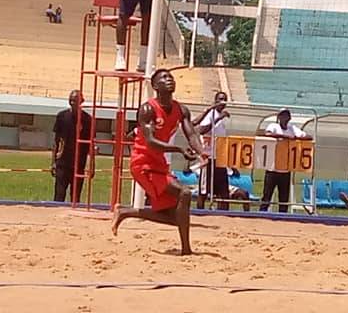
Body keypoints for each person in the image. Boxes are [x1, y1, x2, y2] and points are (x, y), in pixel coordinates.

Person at [111, 68, 208, 255]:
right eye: (164, 78)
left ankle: (126, 212)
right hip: (142, 163)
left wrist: (201, 152)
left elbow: (191, 134)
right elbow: (151, 142)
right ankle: (186, 249)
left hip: (159, 164)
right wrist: (178, 149)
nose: (169, 79)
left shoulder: (181, 109)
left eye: (170, 77)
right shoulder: (148, 109)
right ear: (155, 86)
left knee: (175, 216)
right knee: (185, 193)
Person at [260, 108, 310, 212]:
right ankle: (262, 214)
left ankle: (282, 217)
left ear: (289, 118)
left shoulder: (292, 129)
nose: (284, 118)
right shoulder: (273, 126)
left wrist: (296, 138)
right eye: (282, 115)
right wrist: (284, 137)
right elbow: (267, 134)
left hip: (286, 169)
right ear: (278, 117)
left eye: (286, 116)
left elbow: (308, 137)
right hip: (272, 168)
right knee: (266, 196)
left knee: (283, 198)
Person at [193, 91, 233, 210]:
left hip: (220, 158)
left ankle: (224, 214)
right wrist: (218, 118)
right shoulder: (211, 114)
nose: (222, 102)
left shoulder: (222, 118)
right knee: (204, 189)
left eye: (224, 100)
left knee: (223, 190)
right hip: (208, 157)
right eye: (220, 99)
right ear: (215, 101)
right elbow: (202, 130)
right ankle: (200, 211)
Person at [51, 90, 93, 203]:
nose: (73, 102)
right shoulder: (61, 116)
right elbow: (56, 141)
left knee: (75, 197)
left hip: (79, 163)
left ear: (81, 101)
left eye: (76, 100)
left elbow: (91, 144)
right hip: (62, 163)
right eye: (71, 100)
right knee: (59, 195)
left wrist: (92, 166)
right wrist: (53, 162)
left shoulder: (88, 119)